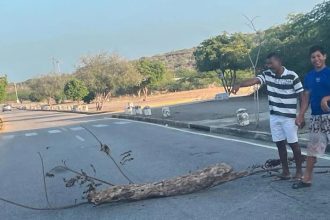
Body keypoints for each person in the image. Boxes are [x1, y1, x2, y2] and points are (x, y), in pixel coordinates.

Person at [232, 52, 304, 180]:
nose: (269, 66)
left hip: (289, 117)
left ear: (279, 61)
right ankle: (285, 172)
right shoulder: (267, 75)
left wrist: (301, 115)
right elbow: (255, 80)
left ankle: (299, 172)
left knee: (294, 144)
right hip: (275, 116)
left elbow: (302, 96)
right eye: (267, 63)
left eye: (271, 63)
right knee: (280, 144)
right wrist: (240, 84)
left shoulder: (292, 76)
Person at [293, 45, 330, 189]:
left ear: (324, 56)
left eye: (318, 56)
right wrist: (300, 115)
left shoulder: (329, 73)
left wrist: (326, 98)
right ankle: (306, 179)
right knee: (312, 150)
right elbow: (306, 98)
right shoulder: (309, 77)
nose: (316, 59)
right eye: (313, 57)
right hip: (316, 118)